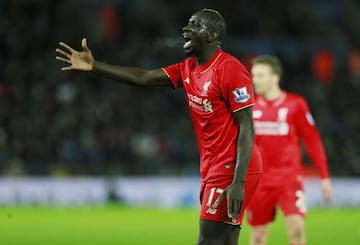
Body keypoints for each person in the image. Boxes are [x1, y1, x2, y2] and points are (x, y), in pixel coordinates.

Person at [56, 8, 262, 245]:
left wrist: (239, 182)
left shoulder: (230, 68)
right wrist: (95, 66)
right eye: (187, 23)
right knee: (226, 242)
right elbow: (143, 77)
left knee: (207, 241)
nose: (186, 29)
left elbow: (247, 125)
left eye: (195, 25)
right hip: (213, 167)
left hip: (232, 167)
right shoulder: (188, 69)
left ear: (211, 35)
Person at [246, 55, 332, 245]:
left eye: (260, 76)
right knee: (258, 237)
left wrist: (324, 177)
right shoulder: (248, 107)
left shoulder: (295, 104)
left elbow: (313, 141)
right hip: (258, 181)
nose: (254, 80)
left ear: (275, 77)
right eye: (254, 75)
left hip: (289, 179)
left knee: (297, 231)